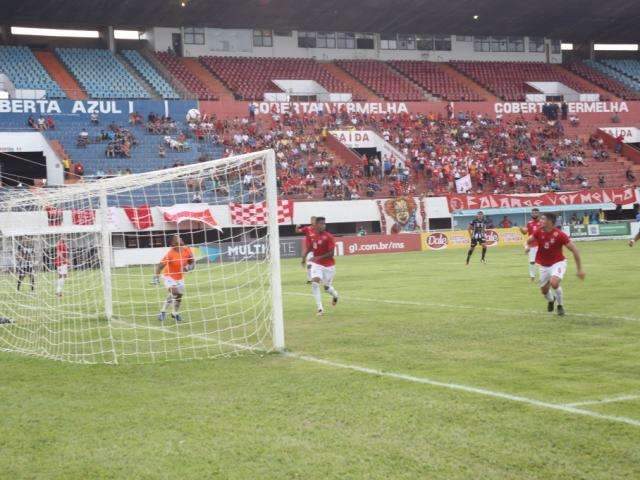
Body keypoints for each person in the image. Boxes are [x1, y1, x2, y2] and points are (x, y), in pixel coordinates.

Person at [528, 213, 585, 316]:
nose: (540, 221)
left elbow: (575, 250)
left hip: (558, 263)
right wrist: (527, 246)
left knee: (554, 283)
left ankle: (560, 305)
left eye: (543, 219)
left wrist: (579, 269)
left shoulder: (560, 235)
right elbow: (529, 240)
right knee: (544, 291)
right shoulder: (538, 232)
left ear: (550, 222)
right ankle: (551, 300)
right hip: (544, 266)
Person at [153, 235, 194, 323]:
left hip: (180, 277)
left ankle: (174, 313)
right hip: (169, 276)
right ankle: (163, 312)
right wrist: (156, 277)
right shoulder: (170, 254)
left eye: (180, 237)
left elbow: (192, 262)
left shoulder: (187, 249)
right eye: (178, 238)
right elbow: (160, 266)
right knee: (175, 292)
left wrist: (189, 267)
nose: (181, 238)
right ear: (174, 243)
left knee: (179, 296)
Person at [307, 217, 338, 316]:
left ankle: (335, 295)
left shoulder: (329, 237)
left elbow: (332, 253)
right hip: (317, 264)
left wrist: (318, 257)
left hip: (329, 266)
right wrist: (304, 257)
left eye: (324, 224)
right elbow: (312, 247)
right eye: (321, 223)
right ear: (316, 225)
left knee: (327, 288)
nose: (323, 225)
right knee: (314, 283)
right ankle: (320, 308)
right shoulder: (314, 236)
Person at [519, 208, 542, 281]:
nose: (534, 214)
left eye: (536, 212)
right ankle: (532, 277)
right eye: (533, 213)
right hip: (532, 245)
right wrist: (521, 229)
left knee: (542, 262)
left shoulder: (542, 222)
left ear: (539, 214)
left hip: (541, 245)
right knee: (532, 262)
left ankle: (543, 277)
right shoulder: (529, 223)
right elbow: (525, 232)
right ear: (531, 214)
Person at [297, 216, 316, 284]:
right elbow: (297, 231)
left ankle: (318, 278)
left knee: (319, 265)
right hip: (309, 251)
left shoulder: (318, 229)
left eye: (314, 220)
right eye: (312, 220)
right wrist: (297, 226)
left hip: (317, 250)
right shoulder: (307, 228)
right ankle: (309, 279)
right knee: (309, 265)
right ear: (310, 221)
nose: (313, 221)